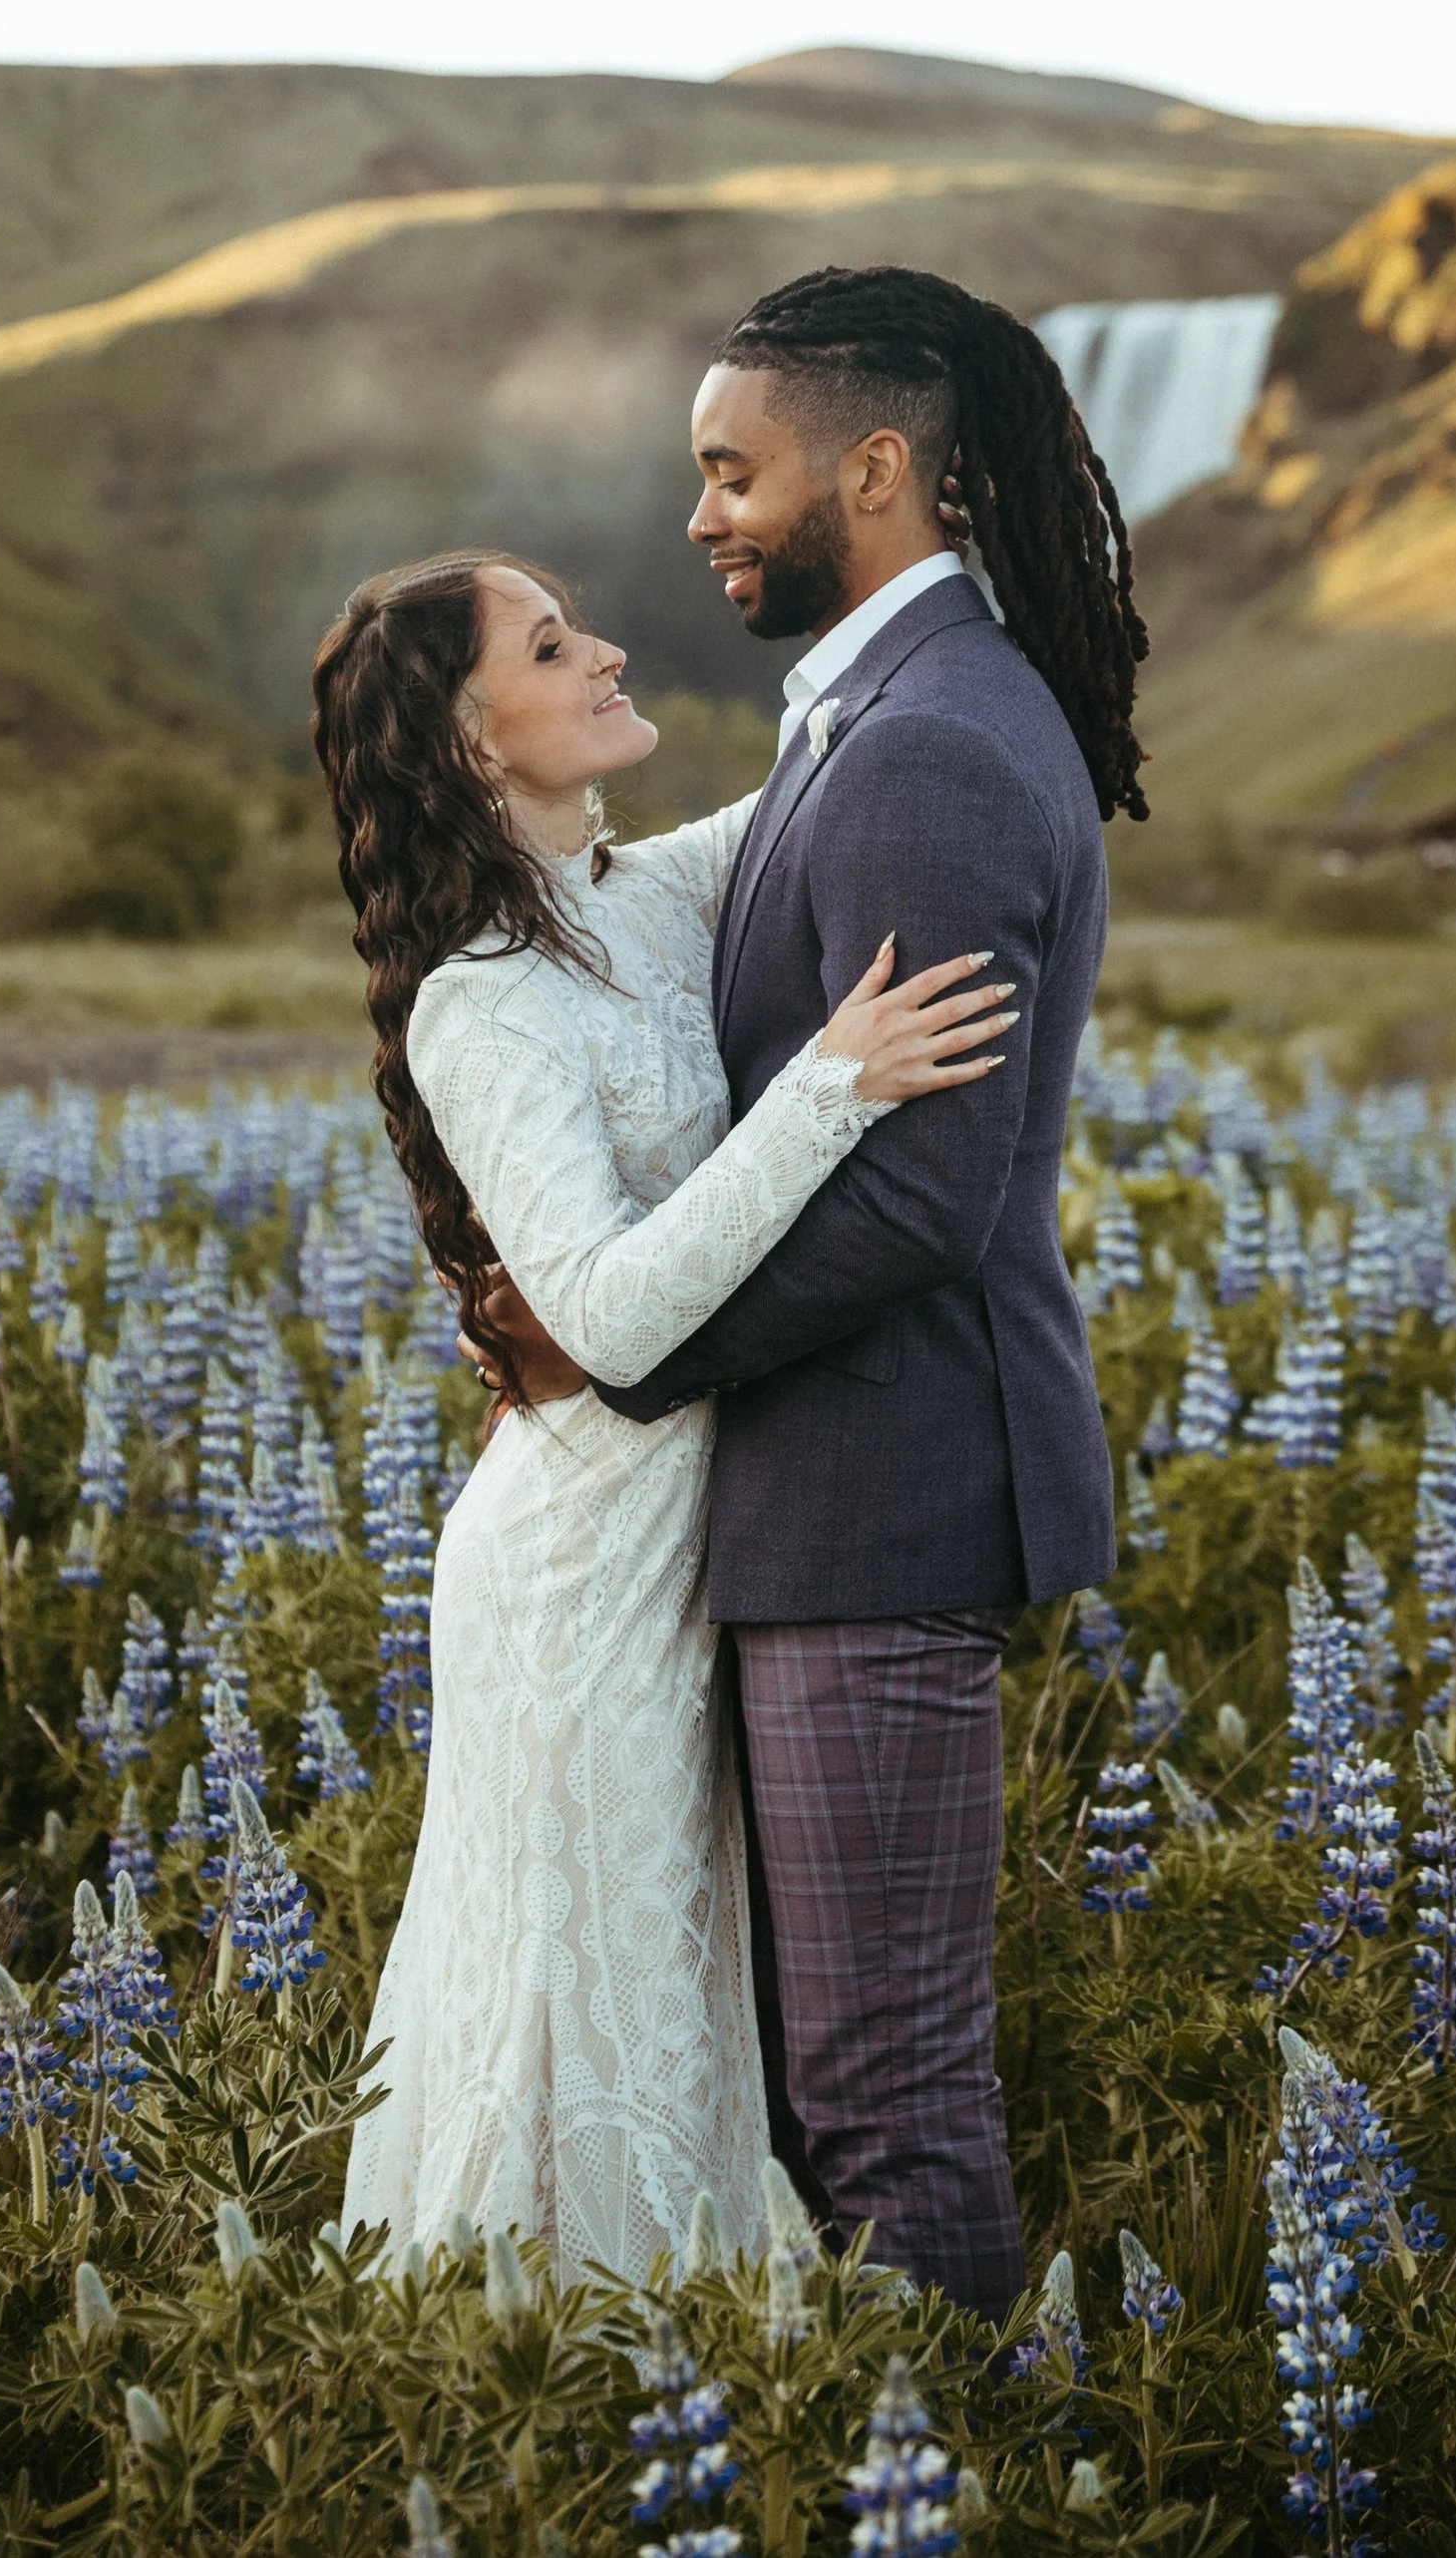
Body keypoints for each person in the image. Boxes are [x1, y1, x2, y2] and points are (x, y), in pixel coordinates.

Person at [484, 263, 1146, 2321]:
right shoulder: (882, 713)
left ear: (871, 469)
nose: (700, 517)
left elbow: (924, 1201)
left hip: (886, 1485)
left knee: (875, 2094)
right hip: (844, 1485)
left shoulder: (931, 746)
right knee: (823, 2085)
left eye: (730, 472)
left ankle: (971, 2486)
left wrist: (624, 1352)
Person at [310, 546, 1014, 2282]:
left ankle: (645, 2402)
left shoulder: (634, 892)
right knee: (589, 1993)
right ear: (478, 745)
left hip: (675, 1540)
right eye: (554, 645)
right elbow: (612, 1315)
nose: (609, 647)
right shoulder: (482, 1000)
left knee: (678, 1994)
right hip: (576, 1575)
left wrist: (941, 586)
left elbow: (820, 769)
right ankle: (540, 2402)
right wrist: (826, 1091)